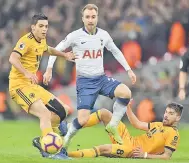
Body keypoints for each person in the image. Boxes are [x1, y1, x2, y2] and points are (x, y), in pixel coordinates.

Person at [44, 4, 136, 148]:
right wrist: (49, 69)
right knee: (83, 120)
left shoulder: (103, 35)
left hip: (101, 79)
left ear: (97, 18)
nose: (90, 20)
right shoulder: (75, 36)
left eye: (93, 17)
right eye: (87, 17)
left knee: (125, 93)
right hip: (85, 82)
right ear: (82, 18)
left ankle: (113, 125)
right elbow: (56, 50)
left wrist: (129, 70)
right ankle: (67, 139)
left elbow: (116, 51)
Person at [8, 13, 76, 158]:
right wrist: (26, 73)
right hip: (19, 86)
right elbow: (13, 58)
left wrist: (64, 55)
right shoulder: (25, 41)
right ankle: (51, 151)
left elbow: (48, 49)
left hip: (32, 86)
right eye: (40, 26)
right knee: (44, 114)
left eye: (46, 26)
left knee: (63, 110)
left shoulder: (41, 40)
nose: (44, 29)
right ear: (33, 27)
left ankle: (42, 140)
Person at [67, 101, 182, 159]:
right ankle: (70, 127)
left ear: (178, 117)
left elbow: (166, 156)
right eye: (166, 112)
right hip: (127, 139)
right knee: (104, 113)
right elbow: (136, 124)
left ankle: (67, 155)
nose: (166, 115)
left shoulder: (173, 134)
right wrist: (127, 107)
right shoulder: (158, 124)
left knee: (103, 148)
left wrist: (145, 155)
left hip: (131, 150)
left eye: (171, 113)